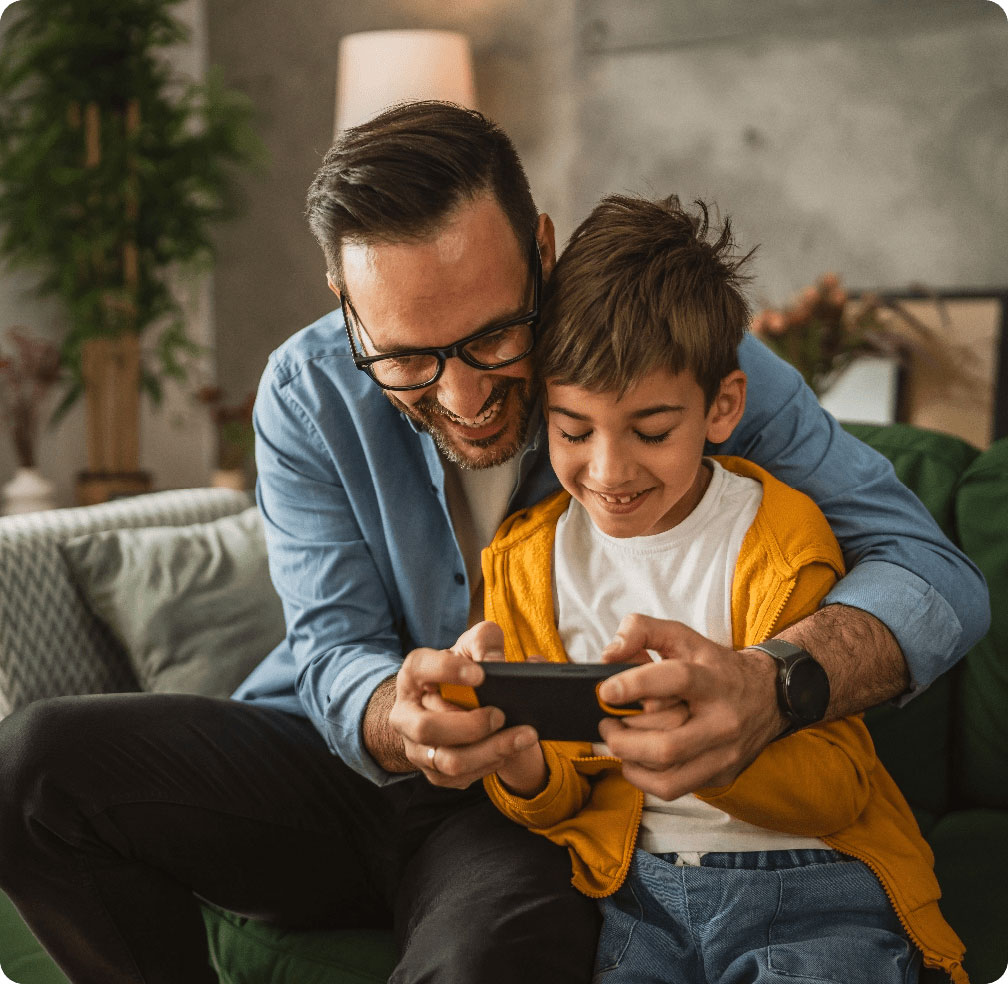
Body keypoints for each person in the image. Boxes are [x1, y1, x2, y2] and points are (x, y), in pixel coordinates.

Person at [0, 101, 988, 983]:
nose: (465, 399)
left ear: (543, 251)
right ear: (345, 304)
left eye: (492, 338)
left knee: (485, 956)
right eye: (407, 359)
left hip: (524, 800)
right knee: (34, 765)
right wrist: (400, 714)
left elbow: (933, 573)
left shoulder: (673, 361)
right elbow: (333, 649)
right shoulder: (304, 391)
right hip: (343, 764)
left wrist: (776, 684)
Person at [472, 192, 967, 983]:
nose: (608, 472)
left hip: (814, 884)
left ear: (723, 407)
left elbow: (840, 788)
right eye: (572, 431)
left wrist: (726, 745)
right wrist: (513, 757)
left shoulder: (780, 539)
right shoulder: (524, 562)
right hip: (636, 899)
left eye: (653, 430)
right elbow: (556, 796)